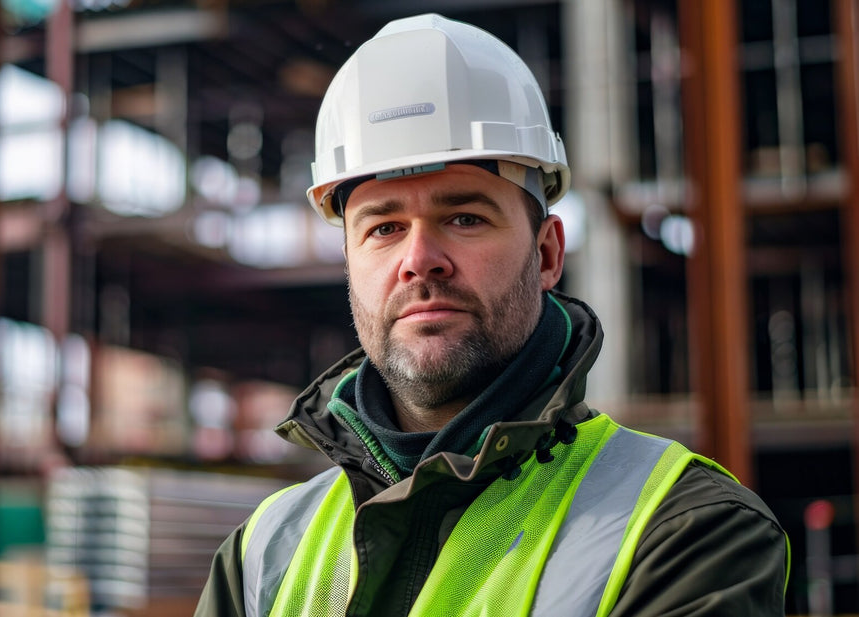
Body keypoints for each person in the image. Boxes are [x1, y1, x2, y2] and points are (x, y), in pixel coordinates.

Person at [195, 13, 789, 617]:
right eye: (385, 227)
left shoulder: (684, 531)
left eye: (465, 218)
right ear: (349, 261)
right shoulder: (262, 553)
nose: (419, 260)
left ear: (548, 252)